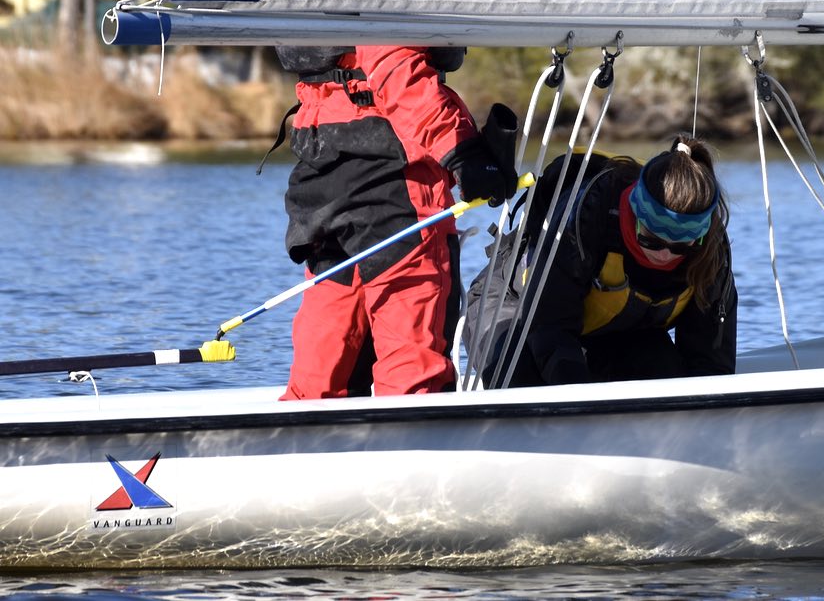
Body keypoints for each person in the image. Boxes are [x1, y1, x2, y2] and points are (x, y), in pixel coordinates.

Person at [276, 45, 517, 399]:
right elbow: (394, 65)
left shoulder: (324, 3)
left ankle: (301, 439)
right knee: (412, 370)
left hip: (323, 179)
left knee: (322, 365)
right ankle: (414, 441)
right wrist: (463, 153)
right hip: (397, 187)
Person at [465, 135, 737, 388]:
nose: (665, 253)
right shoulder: (589, 216)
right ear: (635, 214)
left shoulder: (710, 252)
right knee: (519, 370)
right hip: (514, 304)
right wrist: (579, 407)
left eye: (681, 245)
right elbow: (549, 328)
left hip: (614, 332)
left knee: (663, 370)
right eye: (652, 240)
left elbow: (709, 364)